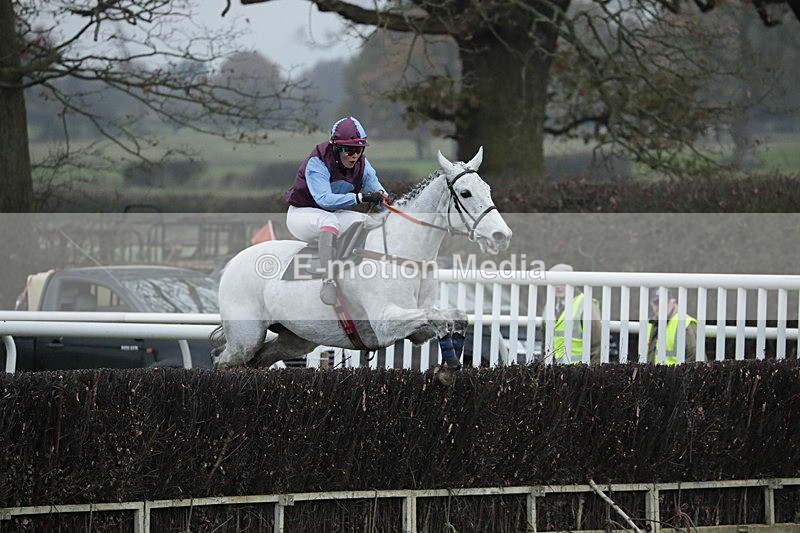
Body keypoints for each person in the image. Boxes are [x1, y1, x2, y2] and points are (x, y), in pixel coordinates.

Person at [285, 116, 389, 305]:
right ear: (335, 147)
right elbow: (324, 200)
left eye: (358, 150)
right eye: (349, 150)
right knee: (328, 221)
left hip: (332, 214)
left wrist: (393, 209)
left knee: (367, 222)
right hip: (301, 214)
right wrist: (360, 197)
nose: (354, 156)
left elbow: (380, 194)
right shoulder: (317, 162)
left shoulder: (363, 165)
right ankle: (328, 280)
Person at [544, 263, 601, 364]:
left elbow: (597, 345)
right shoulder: (548, 306)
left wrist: (592, 374)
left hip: (579, 372)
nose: (558, 286)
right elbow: (545, 344)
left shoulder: (586, 304)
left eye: (562, 281)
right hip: (554, 373)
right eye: (555, 282)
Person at [646, 288, 698, 364]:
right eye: (657, 303)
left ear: (673, 302)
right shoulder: (650, 324)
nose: (660, 306)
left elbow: (695, 360)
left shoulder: (685, 324)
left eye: (664, 302)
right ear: (651, 304)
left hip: (678, 375)